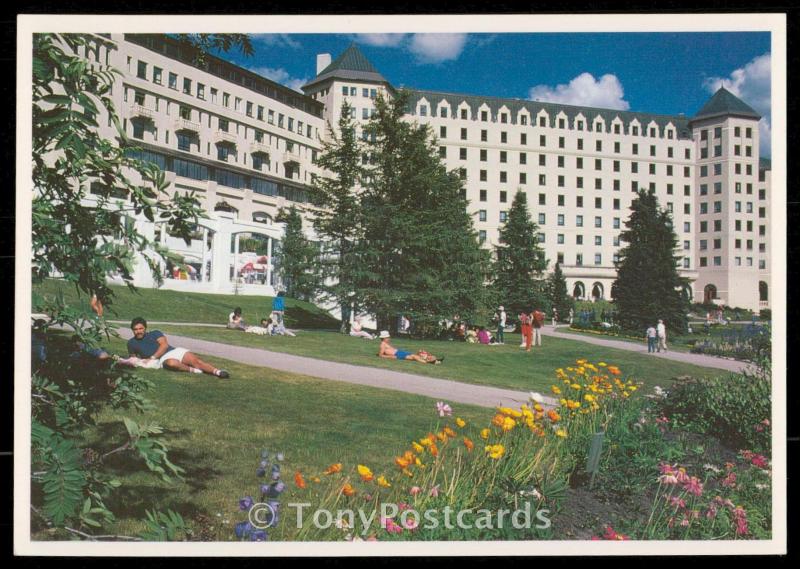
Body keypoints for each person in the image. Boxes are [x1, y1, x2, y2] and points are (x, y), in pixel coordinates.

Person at [127, 317, 230, 378]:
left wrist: (152, 357)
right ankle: (192, 370)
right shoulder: (131, 343)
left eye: (141, 328)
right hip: (162, 359)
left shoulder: (155, 333)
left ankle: (218, 372)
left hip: (173, 351)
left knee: (196, 361)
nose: (139, 331)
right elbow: (133, 358)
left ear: (145, 328)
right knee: (171, 363)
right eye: (135, 329)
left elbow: (164, 345)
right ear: (132, 330)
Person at [377, 331, 442, 364]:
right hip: (398, 355)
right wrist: (392, 357)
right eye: (387, 337)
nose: (389, 338)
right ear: (384, 338)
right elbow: (380, 355)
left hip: (400, 352)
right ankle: (429, 362)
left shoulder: (385, 343)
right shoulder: (382, 345)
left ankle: (435, 360)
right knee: (414, 356)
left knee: (420, 353)